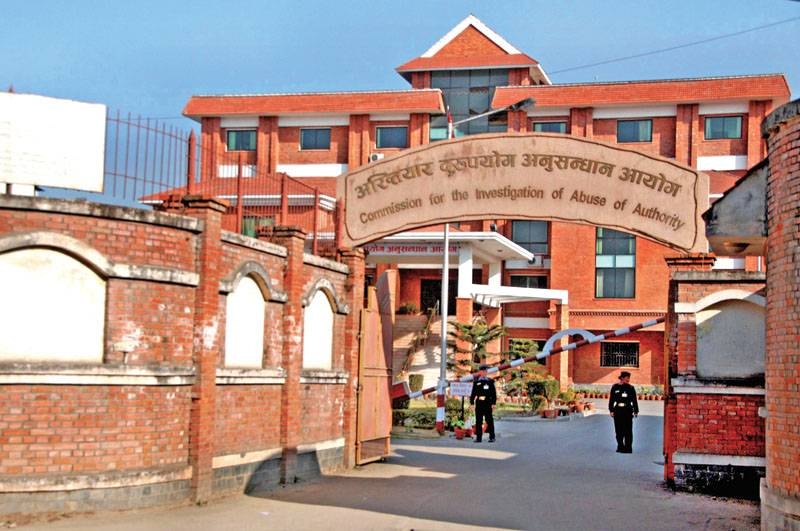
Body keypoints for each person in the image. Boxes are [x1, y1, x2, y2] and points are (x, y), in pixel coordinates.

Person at [608, 370, 639, 453]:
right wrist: (611, 410)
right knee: (618, 430)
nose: (628, 380)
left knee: (628, 430)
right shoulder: (615, 387)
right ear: (622, 378)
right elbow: (611, 400)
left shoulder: (630, 388)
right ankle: (620, 446)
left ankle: (628, 448)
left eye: (629, 378)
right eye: (626, 378)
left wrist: (636, 411)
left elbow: (634, 400)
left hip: (627, 411)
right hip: (618, 411)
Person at [470, 364, 496, 443]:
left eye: (486, 371)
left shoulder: (490, 381)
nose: (484, 372)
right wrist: (472, 403)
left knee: (489, 420)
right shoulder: (477, 382)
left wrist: (494, 403)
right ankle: (479, 438)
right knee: (478, 421)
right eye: (483, 371)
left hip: (488, 403)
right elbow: (473, 393)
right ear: (480, 372)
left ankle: (492, 437)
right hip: (479, 403)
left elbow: (493, 393)